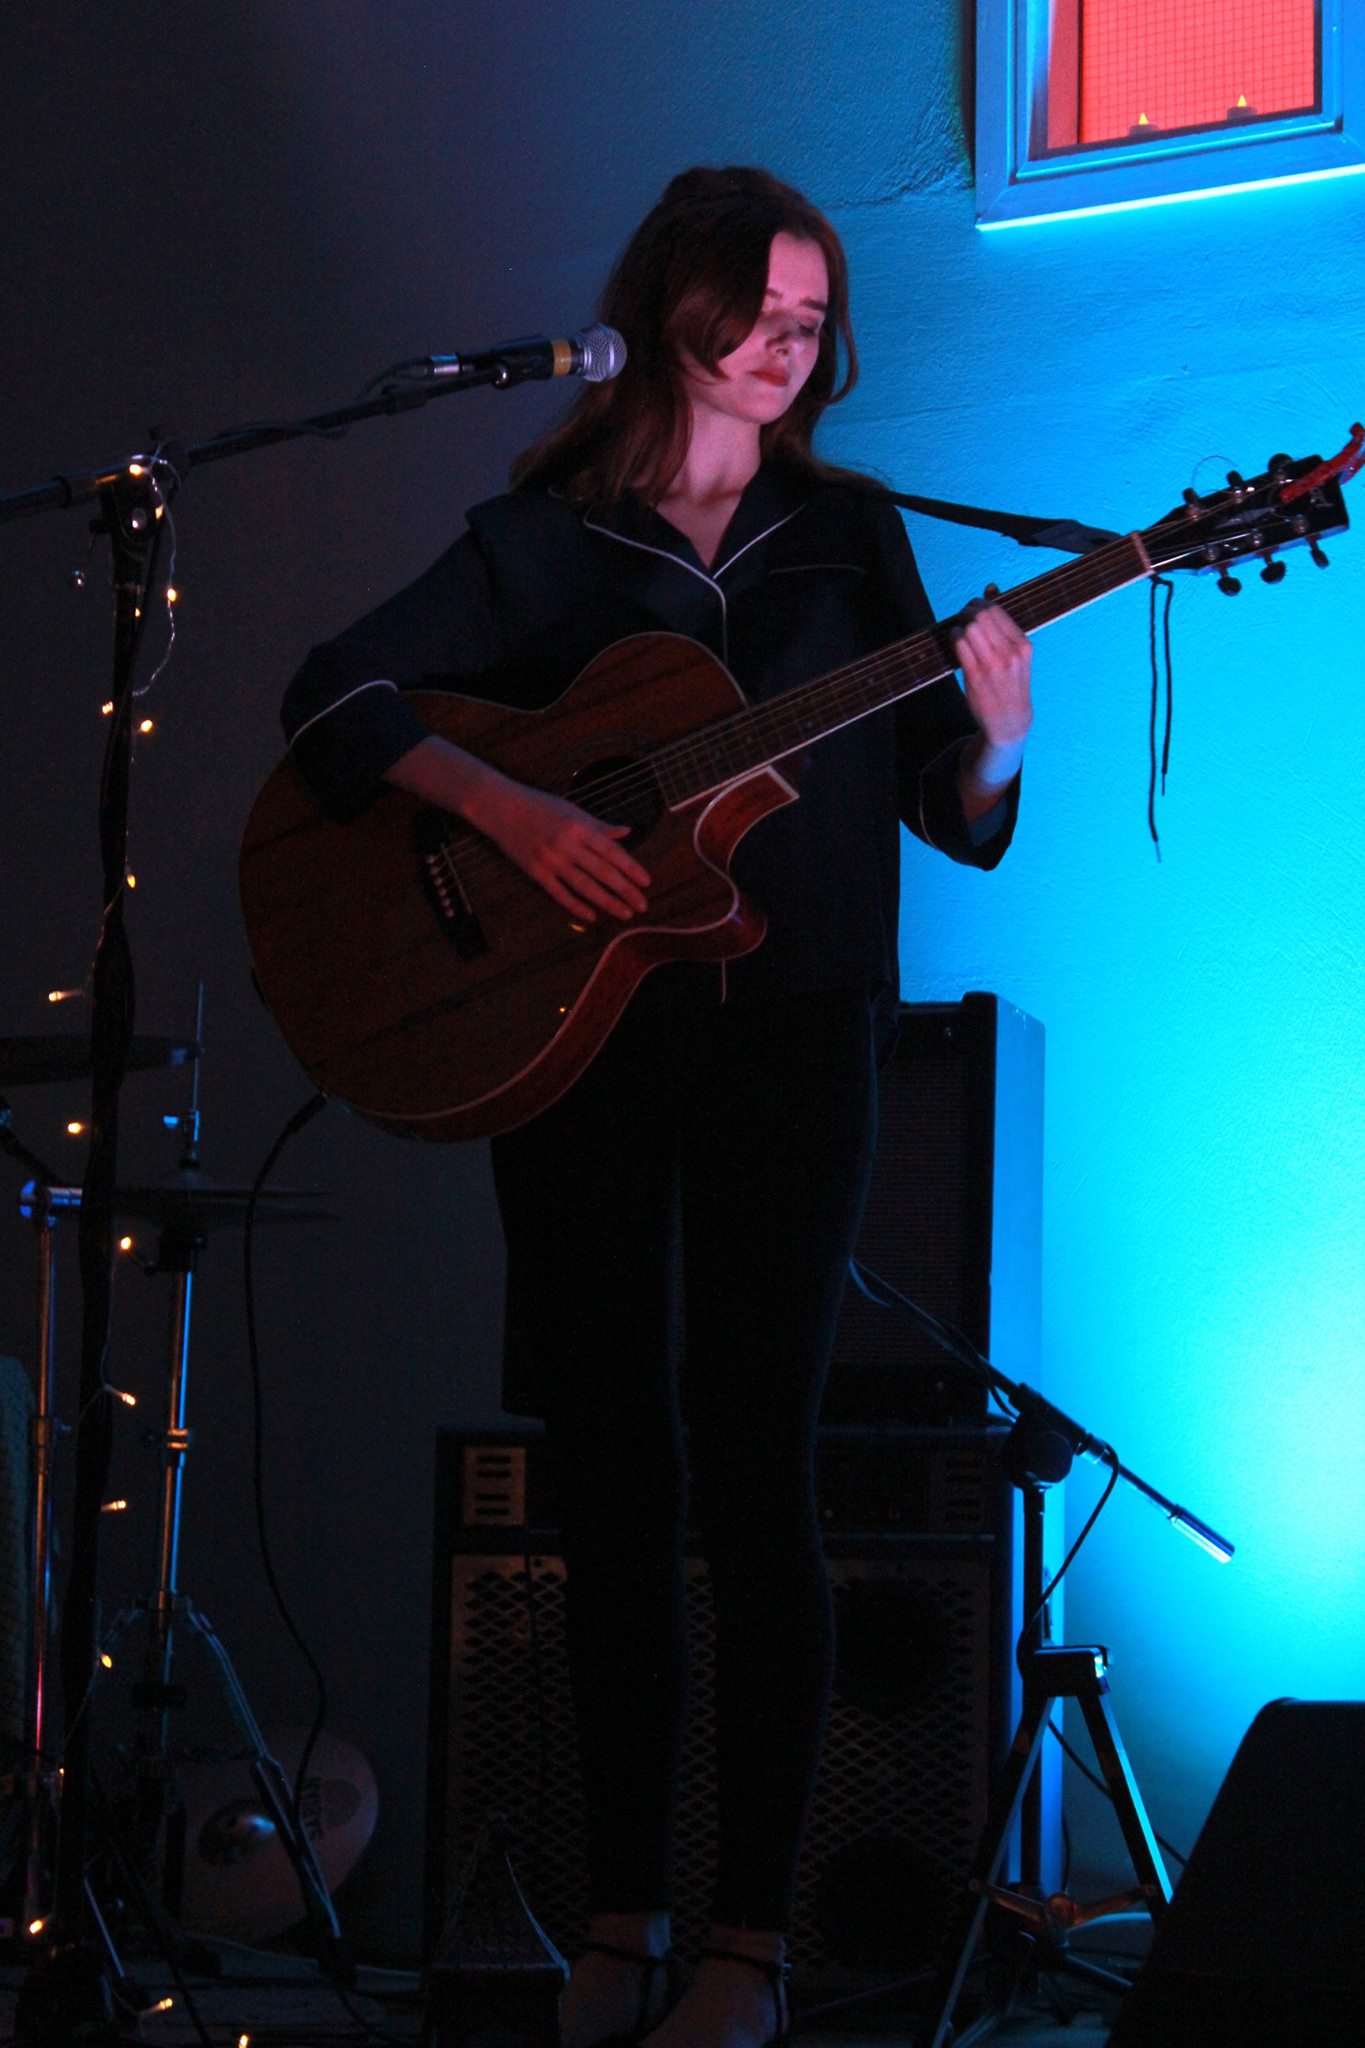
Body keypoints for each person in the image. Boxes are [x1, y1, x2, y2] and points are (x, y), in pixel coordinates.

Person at [282, 166, 1032, 2048]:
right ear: (673, 305)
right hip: (584, 1040)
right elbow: (333, 698)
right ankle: (619, 1923)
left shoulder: (848, 538)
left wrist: (998, 739)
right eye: (759, 310)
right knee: (612, 1470)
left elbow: (944, 805)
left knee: (758, 1465)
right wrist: (507, 806)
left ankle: (746, 1948)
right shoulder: (550, 543)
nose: (787, 345)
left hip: (795, 1033)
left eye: (811, 320)